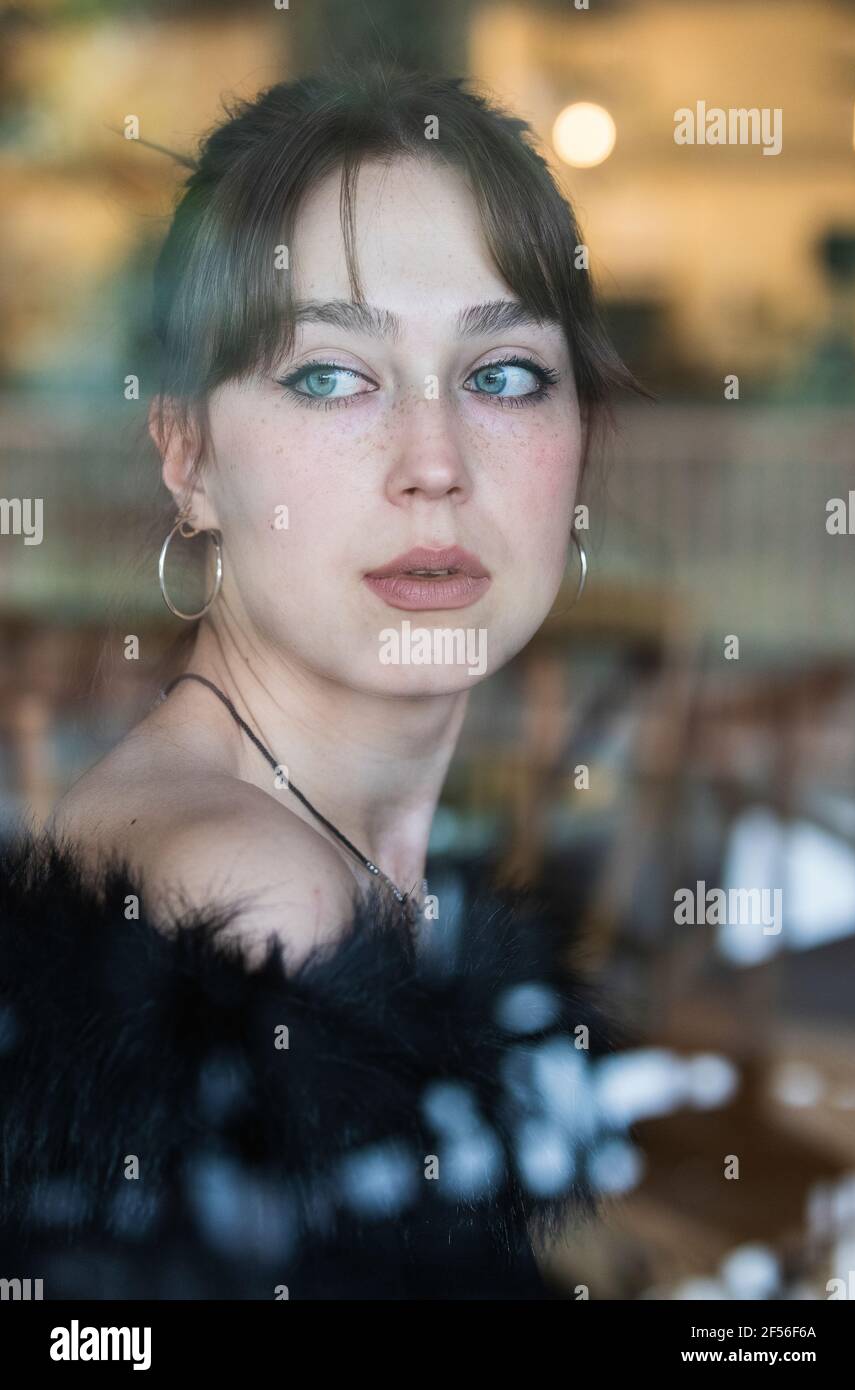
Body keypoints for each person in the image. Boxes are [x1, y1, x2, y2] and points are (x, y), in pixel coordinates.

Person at [0, 61, 636, 1299]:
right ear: (186, 455)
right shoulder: (256, 906)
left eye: (502, 372)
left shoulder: (329, 847)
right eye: (330, 375)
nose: (433, 461)